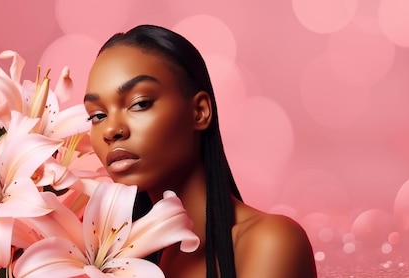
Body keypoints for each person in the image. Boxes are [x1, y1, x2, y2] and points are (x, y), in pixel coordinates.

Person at [84, 24, 317, 278]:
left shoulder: (270, 243)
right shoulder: (115, 261)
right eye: (98, 115)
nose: (111, 130)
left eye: (140, 103)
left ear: (200, 111)